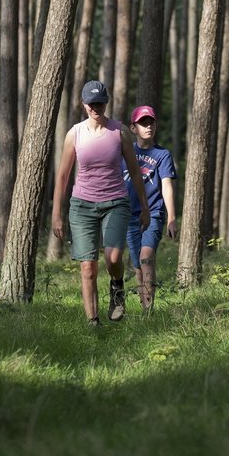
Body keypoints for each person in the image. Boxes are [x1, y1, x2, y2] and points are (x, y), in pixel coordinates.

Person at [52, 80, 150, 326]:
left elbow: (136, 172)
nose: (96, 107)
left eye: (100, 102)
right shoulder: (75, 134)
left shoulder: (119, 132)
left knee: (113, 258)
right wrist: (56, 214)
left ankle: (117, 288)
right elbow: (63, 176)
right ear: (84, 104)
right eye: (91, 103)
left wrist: (145, 207)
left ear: (106, 103)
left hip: (116, 202)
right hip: (82, 205)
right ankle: (92, 322)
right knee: (87, 267)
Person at [123, 105, 177, 312]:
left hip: (154, 213)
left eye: (151, 122)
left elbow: (166, 185)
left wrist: (171, 218)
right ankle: (144, 305)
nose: (148, 126)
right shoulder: (125, 151)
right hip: (129, 215)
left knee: (146, 257)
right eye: (143, 123)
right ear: (133, 128)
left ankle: (149, 310)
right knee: (137, 264)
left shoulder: (162, 154)